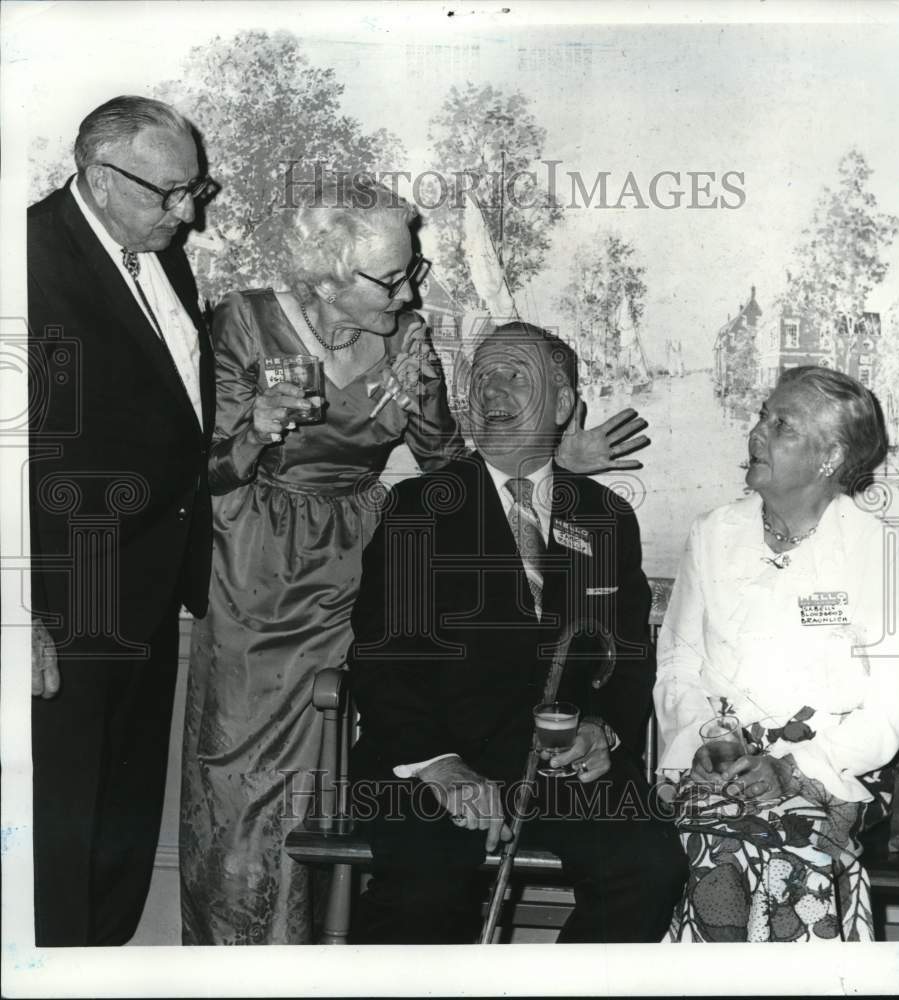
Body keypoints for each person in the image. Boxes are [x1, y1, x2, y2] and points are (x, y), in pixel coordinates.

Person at [179, 182, 652, 945]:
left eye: (411, 271)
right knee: (245, 779)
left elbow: (455, 462)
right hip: (259, 569)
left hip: (356, 559)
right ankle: (242, 959)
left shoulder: (406, 338)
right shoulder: (243, 322)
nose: (409, 292)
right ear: (328, 272)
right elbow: (188, 475)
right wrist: (256, 432)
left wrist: (554, 458)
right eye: (389, 279)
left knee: (348, 761)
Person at [347, 321, 687, 945]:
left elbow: (631, 657)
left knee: (648, 868)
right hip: (439, 762)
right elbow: (383, 658)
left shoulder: (607, 517)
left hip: (568, 772)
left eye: (513, 374)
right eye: (481, 376)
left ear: (562, 405)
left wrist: (601, 727)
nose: (491, 389)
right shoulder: (417, 507)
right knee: (423, 894)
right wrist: (440, 766)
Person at [28, 95, 216, 946]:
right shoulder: (27, 259)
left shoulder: (161, 258)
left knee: (121, 832)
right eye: (169, 192)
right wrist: (20, 614)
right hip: (65, 606)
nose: (188, 212)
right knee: (55, 843)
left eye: (194, 189)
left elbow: (170, 425)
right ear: (102, 178)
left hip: (147, 588)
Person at [654, 365, 899, 942]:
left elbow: (896, 699)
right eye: (761, 416)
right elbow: (677, 658)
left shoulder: (873, 546)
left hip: (827, 772)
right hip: (716, 766)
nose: (757, 432)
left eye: (782, 425)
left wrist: (794, 770)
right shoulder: (713, 533)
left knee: (786, 860)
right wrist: (707, 738)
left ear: (830, 458)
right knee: (715, 847)